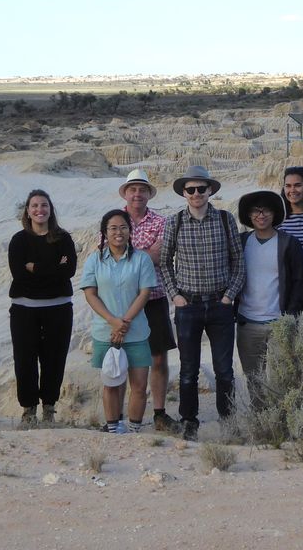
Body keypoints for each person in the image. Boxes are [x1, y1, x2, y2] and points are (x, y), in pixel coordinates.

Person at [158, 165, 245, 442]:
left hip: (220, 304)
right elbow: (164, 263)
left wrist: (229, 295)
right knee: (188, 369)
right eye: (191, 189)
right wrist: (175, 296)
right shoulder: (175, 222)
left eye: (201, 189)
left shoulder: (224, 219)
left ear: (210, 191)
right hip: (189, 306)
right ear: (184, 193)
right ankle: (189, 421)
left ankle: (228, 420)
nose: (196, 194)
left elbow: (238, 261)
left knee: (224, 369)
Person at [80, 209, 155, 433]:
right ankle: (113, 429)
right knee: (111, 383)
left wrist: (124, 322)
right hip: (105, 331)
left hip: (136, 331)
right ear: (104, 232)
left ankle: (134, 429)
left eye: (123, 227)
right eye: (113, 228)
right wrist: (113, 321)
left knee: (139, 386)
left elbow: (145, 293)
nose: (118, 232)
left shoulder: (141, 258)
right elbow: (90, 293)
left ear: (130, 231)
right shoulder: (95, 259)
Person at [7, 189, 77, 424]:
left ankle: (49, 408)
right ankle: (29, 410)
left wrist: (35, 267)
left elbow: (68, 271)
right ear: (27, 210)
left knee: (54, 359)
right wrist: (52, 269)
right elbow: (18, 273)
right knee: (24, 360)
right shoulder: (19, 240)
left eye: (44, 205)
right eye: (34, 206)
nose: (40, 210)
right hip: (24, 309)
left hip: (58, 308)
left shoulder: (63, 238)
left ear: (51, 209)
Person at [118, 169, 177, 432]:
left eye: (142, 189)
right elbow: (111, 255)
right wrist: (143, 254)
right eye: (133, 189)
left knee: (158, 358)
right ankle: (119, 417)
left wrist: (128, 253)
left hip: (154, 298)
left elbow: (160, 254)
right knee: (122, 359)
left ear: (148, 194)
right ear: (126, 193)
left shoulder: (160, 222)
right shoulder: (115, 220)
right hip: (121, 302)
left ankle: (160, 412)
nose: (137, 194)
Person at [236, 190, 303, 404]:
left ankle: (281, 422)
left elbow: (299, 281)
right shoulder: (241, 242)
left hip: (279, 323)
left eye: (266, 210)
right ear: (248, 215)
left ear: (274, 213)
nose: (261, 215)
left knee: (281, 379)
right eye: (255, 211)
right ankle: (260, 422)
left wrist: (291, 315)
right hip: (248, 323)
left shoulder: (288, 243)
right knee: (254, 378)